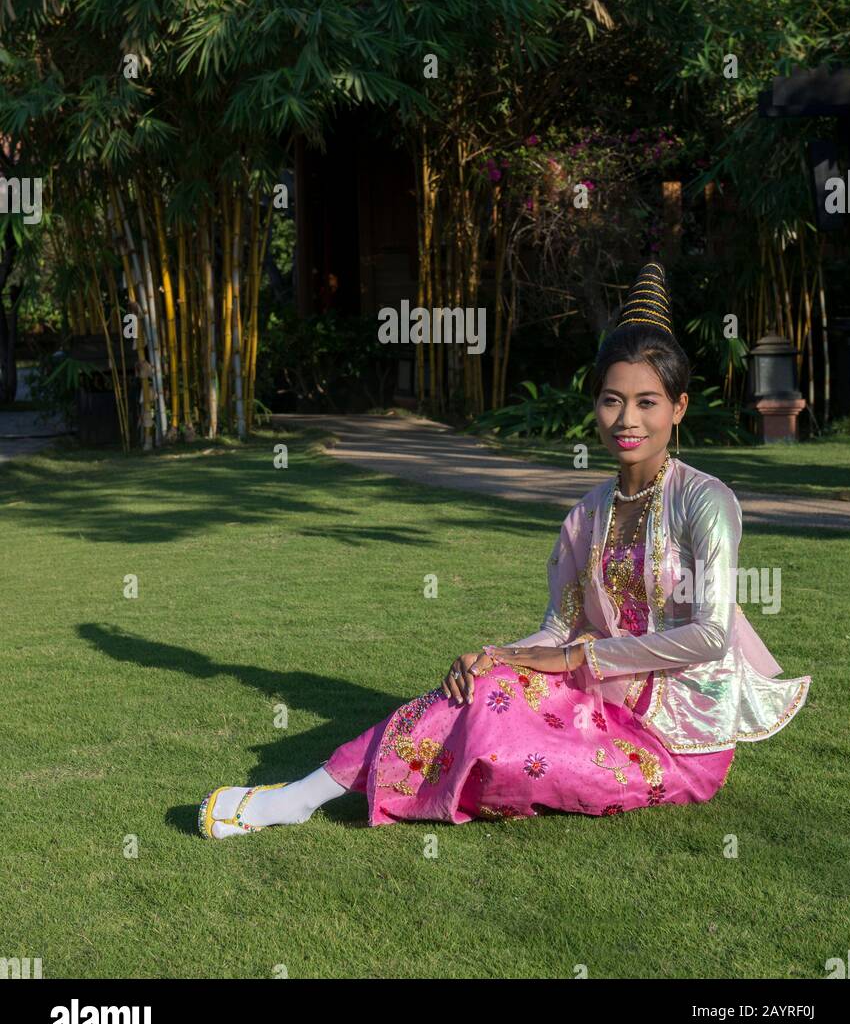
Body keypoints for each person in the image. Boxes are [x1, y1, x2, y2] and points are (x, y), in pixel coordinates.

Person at [198, 261, 811, 837]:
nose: (628, 419)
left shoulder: (705, 502)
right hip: (601, 699)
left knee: (501, 747)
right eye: (612, 399)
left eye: (647, 402)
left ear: (677, 408)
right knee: (484, 686)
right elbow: (560, 626)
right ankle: (302, 795)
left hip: (677, 740)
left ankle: (321, 794)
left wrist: (580, 662)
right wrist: (499, 654)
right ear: (595, 405)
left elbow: (708, 635)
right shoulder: (586, 515)